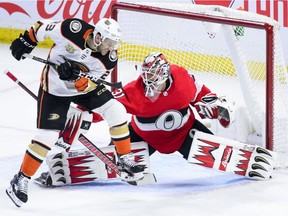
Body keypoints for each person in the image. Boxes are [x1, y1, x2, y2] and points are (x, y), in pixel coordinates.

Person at [36, 52, 253, 187]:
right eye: (146, 77)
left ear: (166, 75)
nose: (149, 84)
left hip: (184, 134)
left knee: (214, 150)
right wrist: (82, 114)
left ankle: (255, 164)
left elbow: (199, 94)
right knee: (115, 159)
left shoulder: (182, 78)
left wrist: (216, 108)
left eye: (154, 79)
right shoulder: (133, 91)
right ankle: (58, 172)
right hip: (143, 136)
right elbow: (107, 108)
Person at [6, 17, 145, 208]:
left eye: (114, 44)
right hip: (54, 89)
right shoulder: (71, 29)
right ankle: (21, 179)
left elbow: (92, 84)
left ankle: (124, 158)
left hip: (84, 90)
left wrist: (76, 79)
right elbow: (41, 28)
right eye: (108, 43)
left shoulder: (109, 59)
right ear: (97, 36)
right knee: (46, 137)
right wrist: (26, 41)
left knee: (117, 110)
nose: (110, 49)